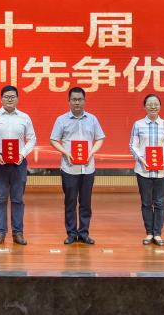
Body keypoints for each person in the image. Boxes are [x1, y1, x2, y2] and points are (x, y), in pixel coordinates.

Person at [49, 86, 105, 245]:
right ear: (69, 101)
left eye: (80, 99)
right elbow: (53, 139)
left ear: (84, 101)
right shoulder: (61, 120)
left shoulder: (92, 119)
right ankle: (71, 233)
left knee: (86, 203)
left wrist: (91, 153)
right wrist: (65, 152)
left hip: (88, 168)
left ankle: (84, 233)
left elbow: (100, 138)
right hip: (69, 168)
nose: (77, 103)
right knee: (70, 202)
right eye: (74, 99)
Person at [0, 85, 36, 245]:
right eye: (6, 97)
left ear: (17, 99)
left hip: (19, 162)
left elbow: (32, 138)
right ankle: (0, 232)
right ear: (1, 99)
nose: (10, 99)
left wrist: (22, 154)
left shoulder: (25, 117)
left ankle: (18, 233)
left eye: (13, 97)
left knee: (18, 199)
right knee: (0, 199)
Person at [128, 93, 164, 246]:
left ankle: (158, 233)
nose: (153, 107)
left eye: (156, 104)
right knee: (146, 202)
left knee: (160, 202)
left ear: (160, 106)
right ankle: (149, 233)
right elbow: (133, 145)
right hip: (143, 170)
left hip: (163, 170)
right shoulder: (138, 124)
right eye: (150, 104)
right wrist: (141, 158)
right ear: (144, 106)